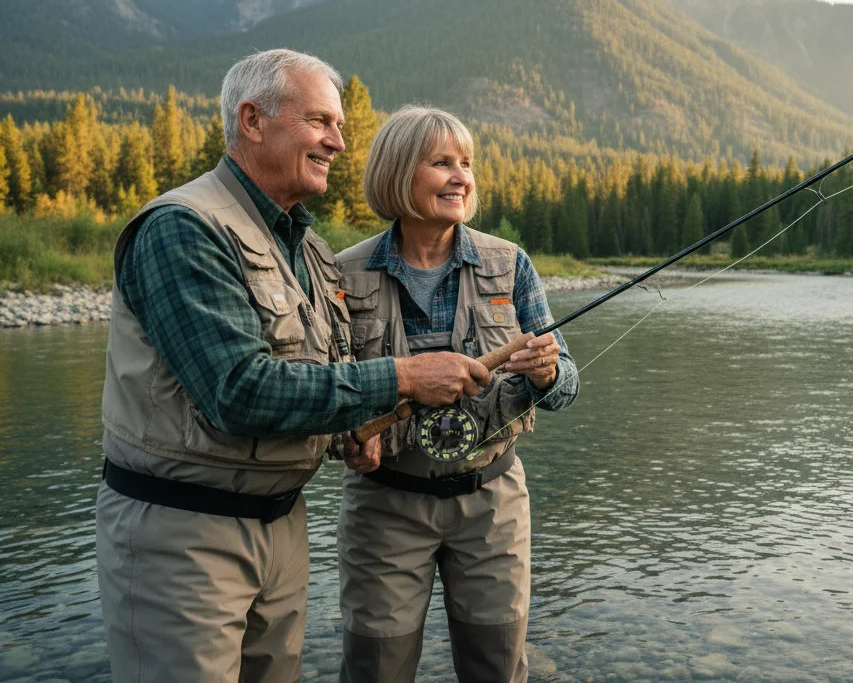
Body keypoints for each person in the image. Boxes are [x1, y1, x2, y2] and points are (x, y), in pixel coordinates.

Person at [95, 50, 490, 683]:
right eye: (319, 122)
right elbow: (237, 389)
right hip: (184, 535)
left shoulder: (307, 246)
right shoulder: (183, 228)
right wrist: (406, 377)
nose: (337, 141)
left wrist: (351, 437)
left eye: (338, 126)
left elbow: (317, 371)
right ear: (252, 120)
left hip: (283, 527)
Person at [334, 105, 579, 682]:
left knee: (496, 668)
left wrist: (547, 373)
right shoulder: (341, 273)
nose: (461, 176)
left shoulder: (510, 264)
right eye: (441, 162)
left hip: (492, 503)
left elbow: (567, 387)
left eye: (466, 163)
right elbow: (324, 390)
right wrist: (342, 439)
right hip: (384, 506)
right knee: (377, 669)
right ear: (398, 172)